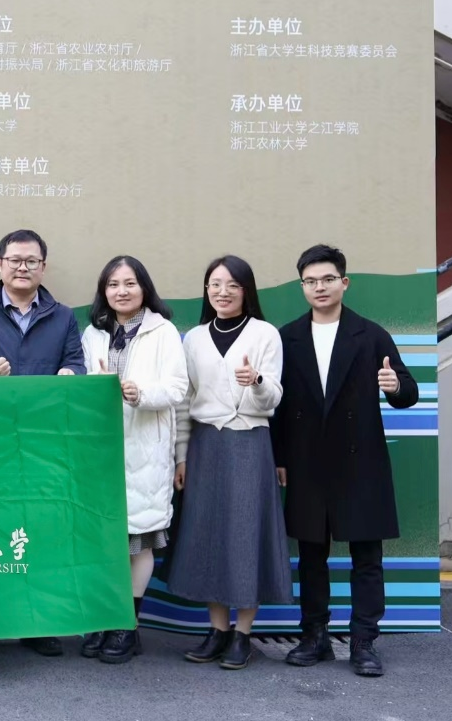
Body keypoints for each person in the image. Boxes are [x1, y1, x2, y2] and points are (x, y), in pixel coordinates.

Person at [271, 245, 418, 677]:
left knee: (366, 557)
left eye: (328, 279)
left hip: (360, 461)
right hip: (307, 460)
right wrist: (280, 457)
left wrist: (394, 385)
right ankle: (314, 636)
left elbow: (408, 392)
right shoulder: (287, 337)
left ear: (344, 282)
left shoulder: (370, 335)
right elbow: (279, 407)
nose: (319, 287)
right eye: (311, 281)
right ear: (302, 286)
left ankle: (363, 641)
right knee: (311, 556)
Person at [0, 228, 86, 660]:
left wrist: (71, 375)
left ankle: (38, 623)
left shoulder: (63, 317)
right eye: (15, 260)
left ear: (43, 267)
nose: (22, 267)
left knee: (39, 528)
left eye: (31, 261)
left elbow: (76, 363)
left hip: (42, 441)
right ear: (0, 265)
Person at [166, 255, 292, 670]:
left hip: (249, 442)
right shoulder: (194, 339)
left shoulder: (265, 334)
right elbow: (184, 403)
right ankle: (217, 630)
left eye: (232, 285)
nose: (222, 292)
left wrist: (255, 381)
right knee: (209, 535)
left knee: (245, 534)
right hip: (204, 445)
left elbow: (273, 397)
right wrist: (181, 456)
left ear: (246, 290)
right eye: (215, 284)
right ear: (206, 290)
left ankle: (243, 634)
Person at [80, 256, 188, 664]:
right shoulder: (93, 333)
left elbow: (177, 388)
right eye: (113, 284)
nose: (121, 291)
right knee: (104, 538)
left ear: (144, 287)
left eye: (129, 283)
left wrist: (139, 393)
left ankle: (127, 624)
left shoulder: (163, 332)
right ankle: (104, 617)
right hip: (100, 449)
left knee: (138, 537)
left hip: (145, 447)